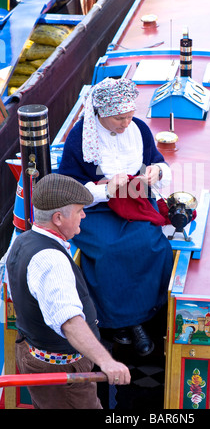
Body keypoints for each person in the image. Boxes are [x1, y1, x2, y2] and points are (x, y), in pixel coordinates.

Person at [58, 77, 173, 356]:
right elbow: (68, 189)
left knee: (153, 245)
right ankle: (122, 323)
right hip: (93, 209)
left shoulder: (139, 130)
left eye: (129, 116)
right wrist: (104, 190)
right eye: (119, 118)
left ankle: (143, 316)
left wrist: (157, 172)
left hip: (134, 202)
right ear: (101, 113)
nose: (125, 124)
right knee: (110, 250)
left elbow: (157, 162)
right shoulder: (80, 138)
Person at [6, 173, 131, 409]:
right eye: (78, 211)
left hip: (34, 354)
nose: (84, 215)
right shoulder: (52, 261)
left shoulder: (22, 241)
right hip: (63, 374)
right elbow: (70, 323)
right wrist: (107, 362)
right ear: (58, 218)